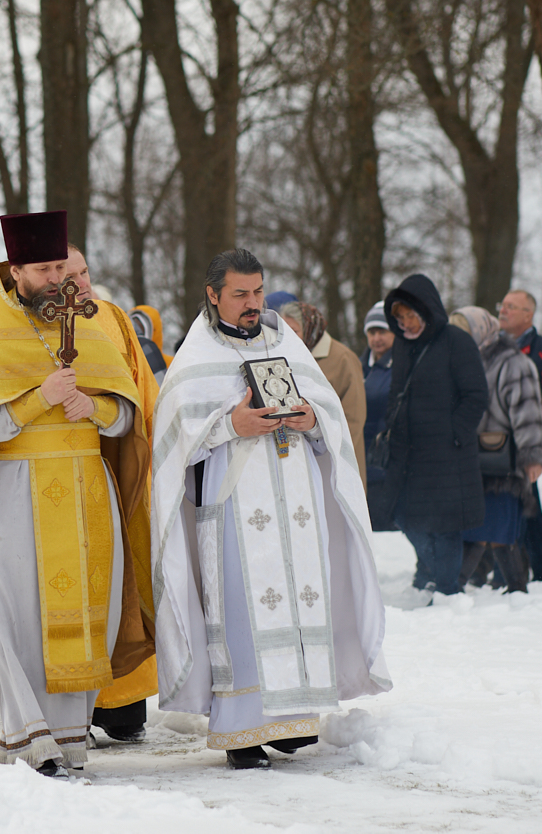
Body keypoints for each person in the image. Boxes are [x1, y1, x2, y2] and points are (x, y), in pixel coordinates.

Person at [0, 211, 154, 776]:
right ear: (15, 269)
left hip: (86, 486)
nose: (56, 278)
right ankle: (29, 736)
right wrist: (38, 398)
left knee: (90, 607)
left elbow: (128, 416)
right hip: (16, 487)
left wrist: (96, 408)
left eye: (61, 266)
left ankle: (72, 738)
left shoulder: (91, 322)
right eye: (44, 268)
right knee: (17, 608)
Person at [150, 249, 390, 770]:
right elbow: (172, 439)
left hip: (296, 499)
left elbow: (329, 412)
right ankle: (241, 733)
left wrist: (311, 420)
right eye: (240, 294)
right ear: (213, 296)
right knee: (240, 608)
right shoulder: (196, 355)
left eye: (258, 292)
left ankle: (293, 719)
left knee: (302, 603)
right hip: (235, 503)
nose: (252, 303)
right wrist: (230, 424)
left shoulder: (288, 342)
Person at [63, 242, 164, 744]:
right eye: (70, 274)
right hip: (55, 479)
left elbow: (143, 390)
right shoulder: (25, 325)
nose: (81, 283)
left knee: (122, 582)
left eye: (85, 272)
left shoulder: (114, 318)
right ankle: (69, 709)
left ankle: (124, 704)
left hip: (118, 467)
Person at [381, 274, 489, 596]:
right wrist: (391, 424)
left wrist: (455, 433)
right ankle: (438, 573)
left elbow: (476, 395)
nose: (406, 324)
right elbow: (396, 392)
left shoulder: (456, 341)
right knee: (402, 513)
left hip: (447, 454)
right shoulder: (402, 345)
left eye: (410, 316)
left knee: (445, 526)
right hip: (409, 452)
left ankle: (447, 591)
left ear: (426, 309)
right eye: (399, 318)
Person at [450, 306, 542, 593]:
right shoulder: (465, 361)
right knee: (489, 529)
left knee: (495, 528)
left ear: (481, 330)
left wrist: (532, 456)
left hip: (502, 460)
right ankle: (514, 587)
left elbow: (528, 412)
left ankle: (457, 588)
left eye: (465, 332)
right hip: (472, 460)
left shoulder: (514, 363)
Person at [498, 289, 542, 582]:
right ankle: (504, 570)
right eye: (503, 305)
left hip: (529, 446)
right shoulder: (494, 348)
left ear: (528, 315)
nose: (503, 311)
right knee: (501, 505)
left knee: (529, 506)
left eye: (512, 307)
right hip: (498, 445)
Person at [280, 301, 368, 486]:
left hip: (336, 458)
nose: (289, 337)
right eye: (285, 331)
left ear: (311, 328)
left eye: (294, 331)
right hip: (302, 459)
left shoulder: (343, 358)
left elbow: (354, 417)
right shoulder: (288, 358)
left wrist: (333, 451)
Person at [360, 302, 396, 531]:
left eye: (382, 331)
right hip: (361, 457)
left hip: (386, 461)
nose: (376, 338)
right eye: (372, 332)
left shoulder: (400, 366)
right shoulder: (358, 365)